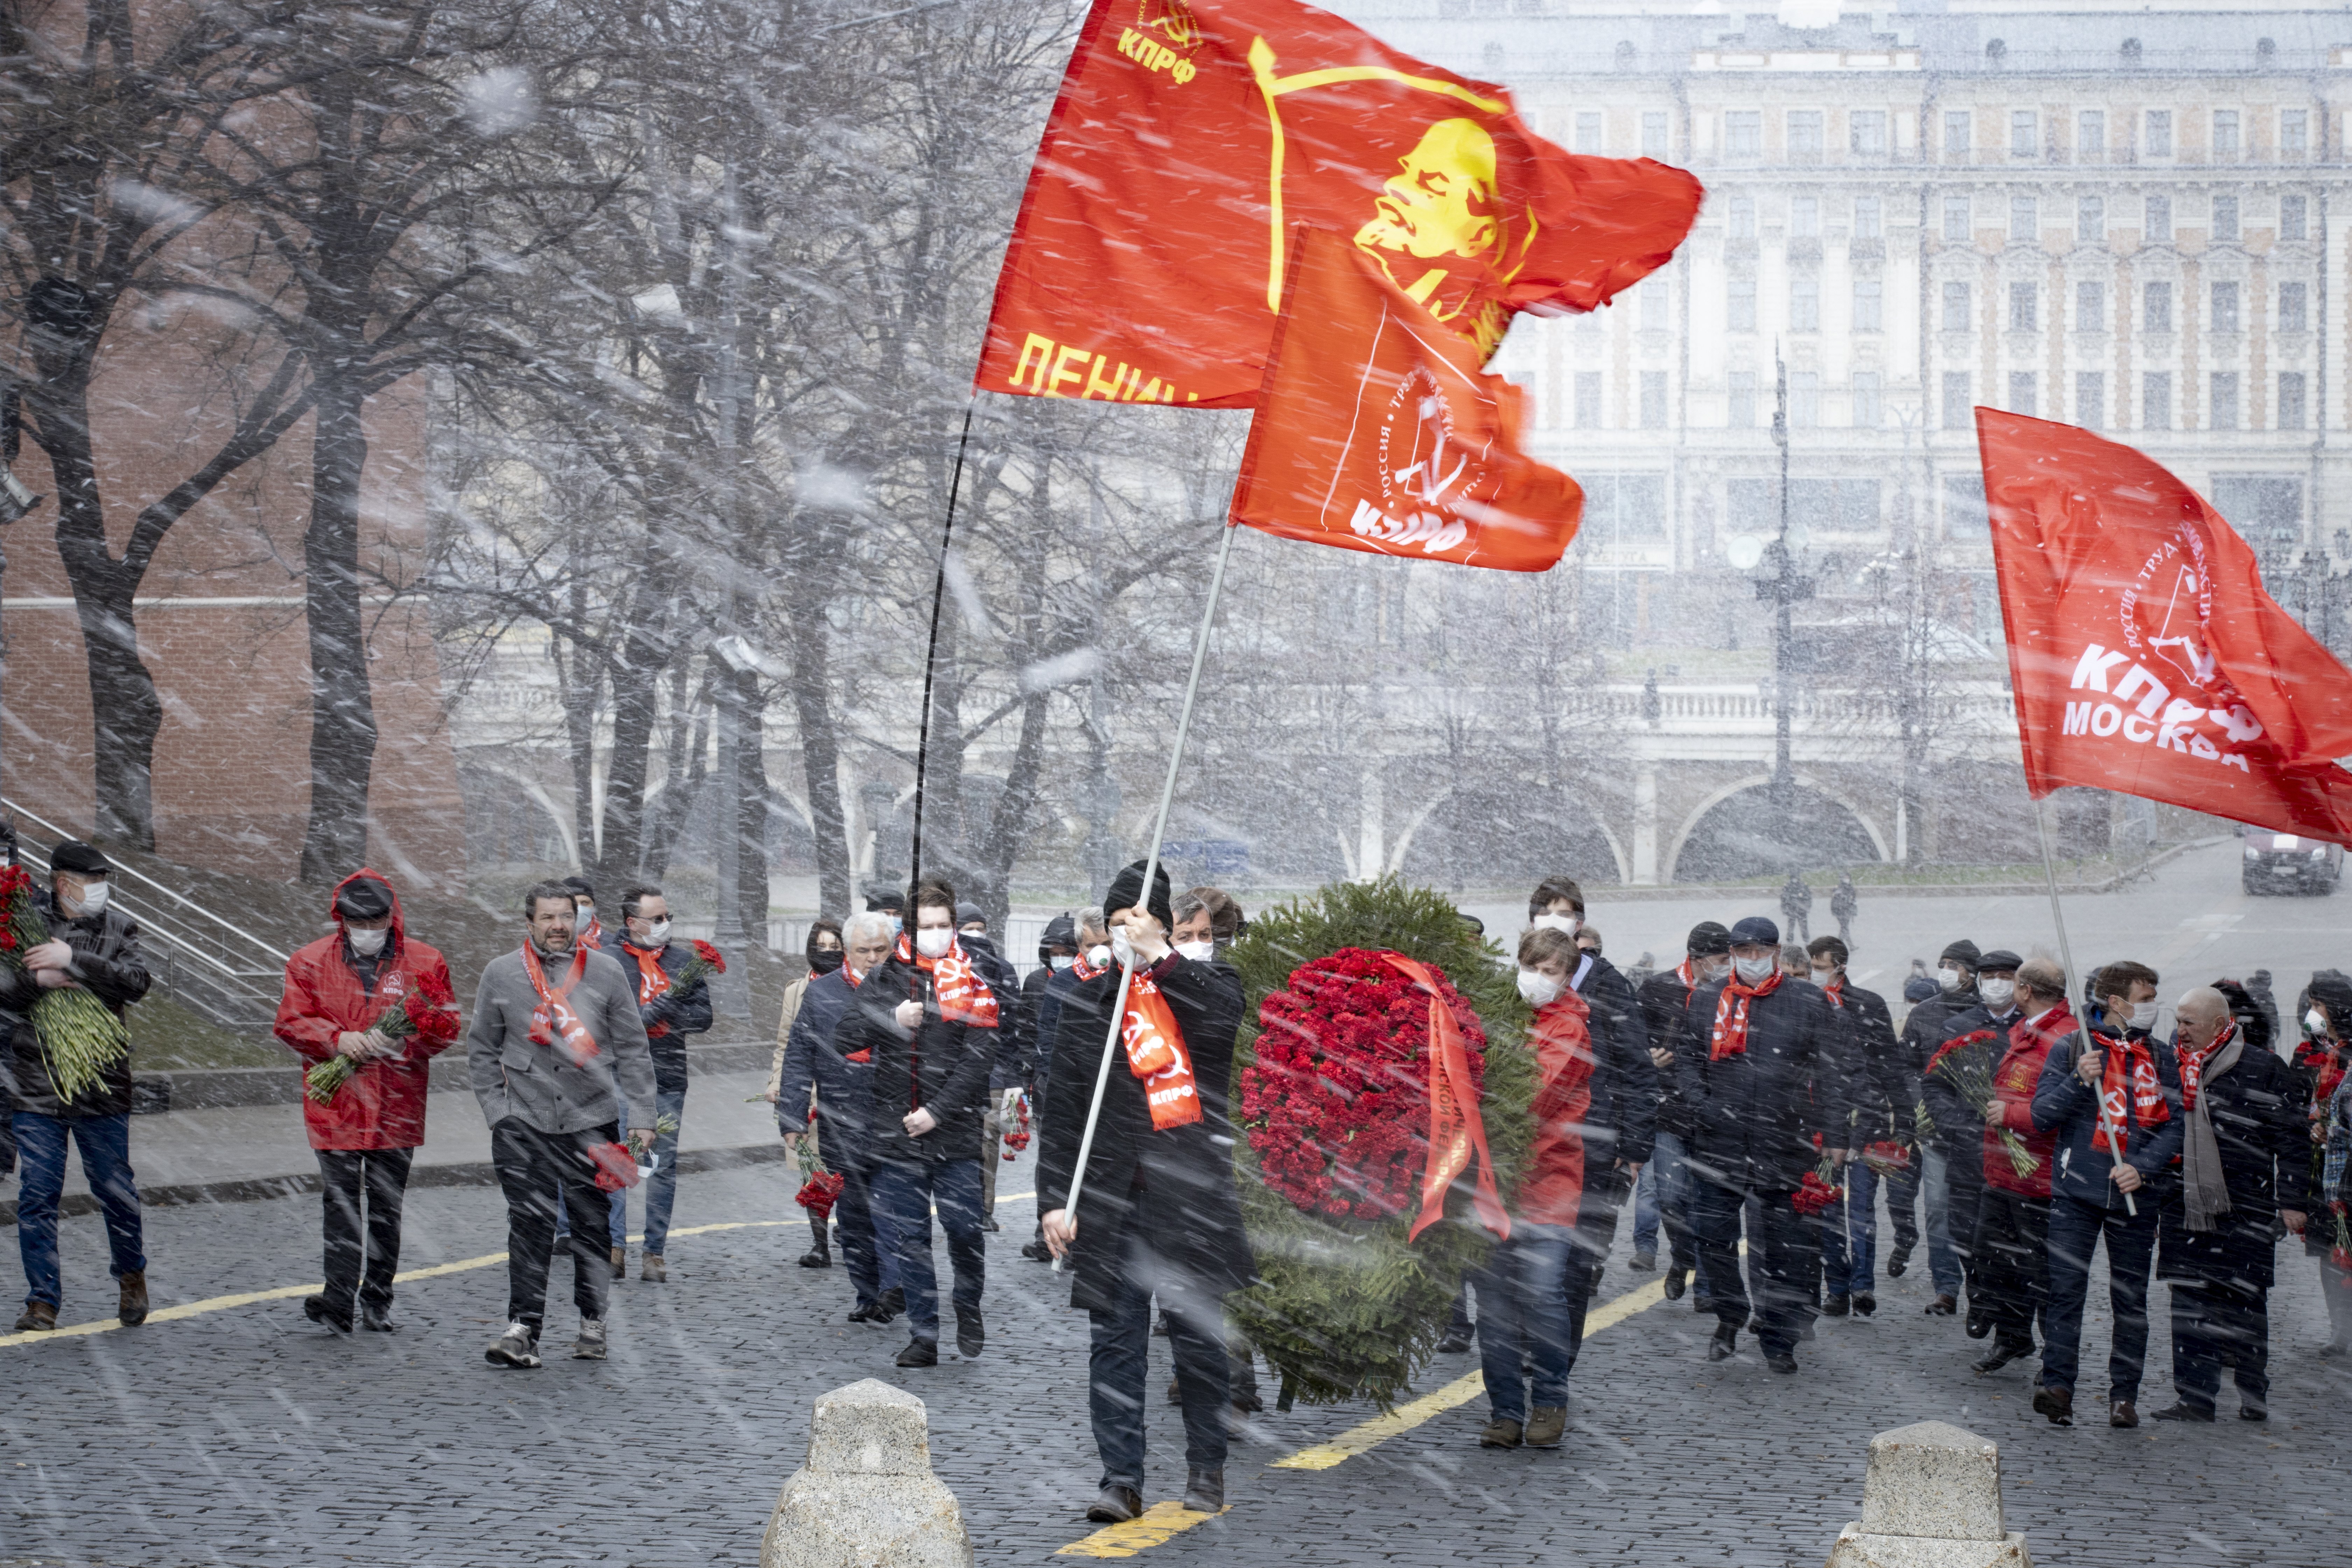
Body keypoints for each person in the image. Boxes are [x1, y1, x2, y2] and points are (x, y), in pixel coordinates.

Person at [1041, 859, 1250, 1522]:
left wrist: (1161, 956)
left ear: (1160, 924)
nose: (1125, 932)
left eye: (1138, 921)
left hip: (1187, 1195)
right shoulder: (1086, 998)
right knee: (1115, 1341)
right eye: (1116, 923)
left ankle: (1206, 1467)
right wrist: (1054, 1200)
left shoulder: (1203, 983)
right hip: (1110, 1196)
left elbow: (1221, 1024)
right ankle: (1121, 1478)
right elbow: (1064, 1109)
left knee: (1196, 1338)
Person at [468, 882, 656, 1368]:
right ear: (529, 923)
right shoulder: (502, 973)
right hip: (523, 1121)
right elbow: (482, 1049)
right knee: (529, 1225)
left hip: (591, 1120)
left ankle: (592, 1320)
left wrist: (642, 1118)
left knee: (591, 1228)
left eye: (565, 917)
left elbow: (634, 1049)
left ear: (577, 920)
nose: (557, 926)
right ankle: (523, 1328)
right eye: (548, 918)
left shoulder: (607, 971)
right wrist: (497, 1111)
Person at [273, 869, 459, 1333]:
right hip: (336, 1102)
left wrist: (401, 1045)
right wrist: (338, 1040)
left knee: (385, 1207)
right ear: (343, 921)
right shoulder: (309, 962)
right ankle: (339, 1297)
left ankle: (377, 1297)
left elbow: (446, 1027)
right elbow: (291, 1022)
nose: (369, 930)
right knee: (340, 1205)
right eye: (360, 922)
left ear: (390, 917)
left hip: (396, 1104)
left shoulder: (425, 961)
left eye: (377, 921)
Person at [836, 880, 997, 1369]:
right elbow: (845, 1035)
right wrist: (892, 1018)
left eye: (943, 926)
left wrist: (940, 1110)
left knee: (965, 1230)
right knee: (909, 1240)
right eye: (925, 927)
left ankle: (967, 1302)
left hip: (954, 1131)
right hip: (897, 1133)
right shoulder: (888, 976)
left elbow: (980, 1056)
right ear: (910, 928)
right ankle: (924, 1333)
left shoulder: (975, 976)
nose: (936, 934)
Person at [1677, 916, 1846, 1373]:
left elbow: (1831, 1075)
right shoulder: (1707, 1000)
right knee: (1712, 1237)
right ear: (1731, 954)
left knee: (1786, 1247)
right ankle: (1730, 1312)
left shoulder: (1809, 1002)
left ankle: (1778, 1335)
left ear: (1775, 951)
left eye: (1761, 951)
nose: (1753, 960)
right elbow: (1687, 1065)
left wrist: (1835, 1137)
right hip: (1719, 1140)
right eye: (1744, 952)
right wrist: (1703, 1107)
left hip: (1784, 1140)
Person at [3, 840, 153, 1333]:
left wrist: (74, 961)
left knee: (115, 1191)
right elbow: (4, 990)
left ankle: (131, 1276)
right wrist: (39, 983)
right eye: (92, 881)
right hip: (36, 1085)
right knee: (38, 1195)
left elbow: (136, 980)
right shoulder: (20, 922)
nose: (99, 890)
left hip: (100, 1082)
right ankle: (42, 1300)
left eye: (103, 880)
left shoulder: (117, 927)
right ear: (63, 882)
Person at [1476, 925, 1611, 1449]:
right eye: (1529, 967)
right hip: (1493, 1184)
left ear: (1568, 975)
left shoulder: (1571, 1027)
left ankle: (1550, 1402)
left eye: (1549, 971)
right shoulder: (1504, 1014)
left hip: (1547, 1183)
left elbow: (1533, 1097)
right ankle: (1506, 1411)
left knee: (1543, 1298)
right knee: (1493, 1307)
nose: (1536, 979)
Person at [2029, 957, 2180, 1428]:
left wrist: (2143, 1167)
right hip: (2076, 1193)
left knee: (2130, 1300)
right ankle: (2058, 1385)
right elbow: (2041, 1116)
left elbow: (2175, 1128)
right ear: (2115, 1003)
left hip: (2136, 1195)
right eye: (2145, 1000)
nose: (2153, 1008)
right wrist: (2080, 1080)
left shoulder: (2160, 1057)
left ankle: (2124, 1396)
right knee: (2066, 1292)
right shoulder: (2073, 1048)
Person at [2150, 983, 2309, 1422]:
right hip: (2184, 1205)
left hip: (2247, 1208)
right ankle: (2194, 1397)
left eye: (2188, 1023)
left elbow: (2292, 1140)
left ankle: (2253, 1392)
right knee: (2188, 1304)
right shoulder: (2171, 1066)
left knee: (2246, 1303)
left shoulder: (2264, 1068)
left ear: (2221, 1025)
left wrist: (2293, 1200)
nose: (2179, 1030)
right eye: (2177, 1021)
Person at [1530, 877, 1656, 1353]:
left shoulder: (1609, 985)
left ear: (1580, 923)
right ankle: (1530, 1349)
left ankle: (1557, 1361)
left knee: (1573, 1262)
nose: (1555, 921)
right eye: (1546, 912)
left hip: (1591, 1145)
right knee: (1524, 1257)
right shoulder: (1524, 980)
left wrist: (1636, 1147)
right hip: (1529, 1146)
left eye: (1565, 913)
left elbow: (1637, 1069)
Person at [779, 912, 901, 1321]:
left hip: (893, 1122)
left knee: (890, 1213)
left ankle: (891, 1288)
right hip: (841, 1121)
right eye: (863, 951)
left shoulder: (908, 989)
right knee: (853, 1217)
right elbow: (798, 1056)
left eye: (879, 951)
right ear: (848, 952)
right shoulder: (822, 994)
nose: (871, 959)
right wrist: (793, 1118)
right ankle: (867, 1293)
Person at [1966, 958, 2070, 1377]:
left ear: (2024, 990)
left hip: (2039, 1179)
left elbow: (2063, 1107)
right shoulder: (2030, 1030)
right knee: (1997, 1261)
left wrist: (2011, 1115)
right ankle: (2012, 1335)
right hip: (2004, 1172)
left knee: (2042, 1272)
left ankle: (2056, 1358)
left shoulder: (2062, 1038)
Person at [606, 884, 713, 1283]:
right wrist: (649, 1014)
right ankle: (613, 1247)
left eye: (668, 917)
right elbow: (609, 1018)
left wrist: (668, 1017)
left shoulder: (683, 962)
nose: (665, 925)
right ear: (632, 923)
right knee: (616, 1162)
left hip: (667, 1076)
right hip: (619, 1078)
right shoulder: (608, 961)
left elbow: (704, 1017)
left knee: (662, 1167)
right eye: (657, 919)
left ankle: (655, 1252)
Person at [1922, 949, 2024, 1337]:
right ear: (1979, 981)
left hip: (2019, 1152)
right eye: (1990, 976)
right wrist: (1956, 1125)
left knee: (2011, 1241)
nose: (1997, 983)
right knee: (1966, 1235)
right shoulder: (1959, 1026)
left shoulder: (2031, 1027)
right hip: (1968, 1150)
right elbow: (1935, 1083)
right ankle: (1980, 1296)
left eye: (2005, 976)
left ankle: (2010, 1322)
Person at [1635, 922, 1731, 1302]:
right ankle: (1682, 1256)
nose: (1728, 965)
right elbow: (1632, 1038)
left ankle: (1706, 1285)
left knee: (1710, 1202)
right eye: (1723, 959)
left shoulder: (1731, 992)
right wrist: (1648, 1058)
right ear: (1699, 957)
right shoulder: (1658, 987)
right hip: (1668, 1109)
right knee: (1671, 1196)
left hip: (1714, 1110)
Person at [1808, 935, 1903, 1318]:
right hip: (1822, 1125)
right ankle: (1838, 1287)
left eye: (1820, 965)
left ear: (1840, 965)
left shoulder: (1870, 1004)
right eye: (1811, 965)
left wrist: (1903, 1119)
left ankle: (1863, 1285)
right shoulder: (1806, 1004)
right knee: (1828, 1211)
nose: (1815, 973)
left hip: (1869, 1122)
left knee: (1862, 1212)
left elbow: (1889, 1068)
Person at [1898, 939, 1984, 1314]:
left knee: (1982, 1214)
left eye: (1954, 964)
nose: (1946, 969)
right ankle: (1946, 1286)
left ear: (1971, 971)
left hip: (1983, 1134)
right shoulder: (1924, 1014)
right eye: (1943, 963)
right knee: (1937, 1208)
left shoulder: (1991, 1013)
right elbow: (1908, 1065)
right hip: (1936, 1132)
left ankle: (1984, 1287)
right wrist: (1924, 1101)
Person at [770, 919, 845, 1266]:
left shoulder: (856, 986)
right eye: (822, 947)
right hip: (808, 1093)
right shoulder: (795, 991)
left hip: (843, 1092)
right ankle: (820, 1243)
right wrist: (778, 1084)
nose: (828, 953)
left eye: (835, 947)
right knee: (814, 1172)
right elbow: (786, 1045)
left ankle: (851, 1229)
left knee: (846, 1170)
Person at [954, 903, 1027, 1235]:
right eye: (972, 927)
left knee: (978, 1144)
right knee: (986, 1145)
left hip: (976, 1070)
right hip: (990, 1071)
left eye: (979, 927)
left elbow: (1012, 1025)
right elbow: (1014, 1028)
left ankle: (973, 1209)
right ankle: (981, 1209)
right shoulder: (1002, 968)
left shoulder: (953, 966)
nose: (976, 934)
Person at [2293, 971, 2352, 1354]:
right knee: (2331, 1252)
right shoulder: (2320, 1053)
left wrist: (2333, 1130)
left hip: (2345, 1173)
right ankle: (2341, 1329)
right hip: (2328, 1174)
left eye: (2317, 1005)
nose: (2313, 1013)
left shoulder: (2342, 1053)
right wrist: (2316, 1127)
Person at [563, 876, 603, 949]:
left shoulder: (611, 943)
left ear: (593, 907)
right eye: (573, 903)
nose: (579, 910)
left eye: (585, 903)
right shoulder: (551, 942)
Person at [1778, 874, 1813, 943]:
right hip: (1792, 910)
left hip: (1802, 911)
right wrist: (1785, 909)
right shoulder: (1788, 887)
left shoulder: (1803, 886)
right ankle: (1790, 941)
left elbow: (1808, 897)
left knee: (1804, 928)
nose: (1795, 880)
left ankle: (1806, 941)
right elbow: (1784, 899)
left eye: (1796, 878)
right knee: (1791, 928)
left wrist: (1807, 907)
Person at [1830, 872, 1858, 949]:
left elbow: (1854, 901)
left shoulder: (1851, 888)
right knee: (1844, 928)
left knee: (1845, 928)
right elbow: (1836, 900)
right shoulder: (1839, 888)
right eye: (1845, 878)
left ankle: (1848, 945)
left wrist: (1854, 911)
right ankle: (1841, 945)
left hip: (1848, 911)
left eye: (1848, 878)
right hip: (1840, 911)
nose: (1847, 879)